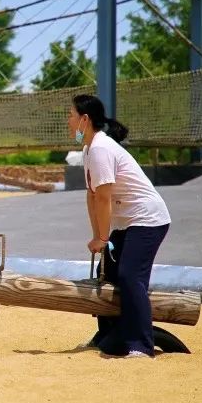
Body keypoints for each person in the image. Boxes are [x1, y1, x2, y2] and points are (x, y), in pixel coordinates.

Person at [67, 93, 171, 359]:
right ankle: (109, 335)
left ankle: (141, 344)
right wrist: (97, 236)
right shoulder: (89, 149)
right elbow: (92, 196)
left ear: (85, 120)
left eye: (71, 115)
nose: (68, 121)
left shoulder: (101, 149)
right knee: (108, 272)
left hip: (148, 219)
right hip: (128, 223)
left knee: (130, 277)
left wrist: (103, 238)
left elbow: (104, 198)